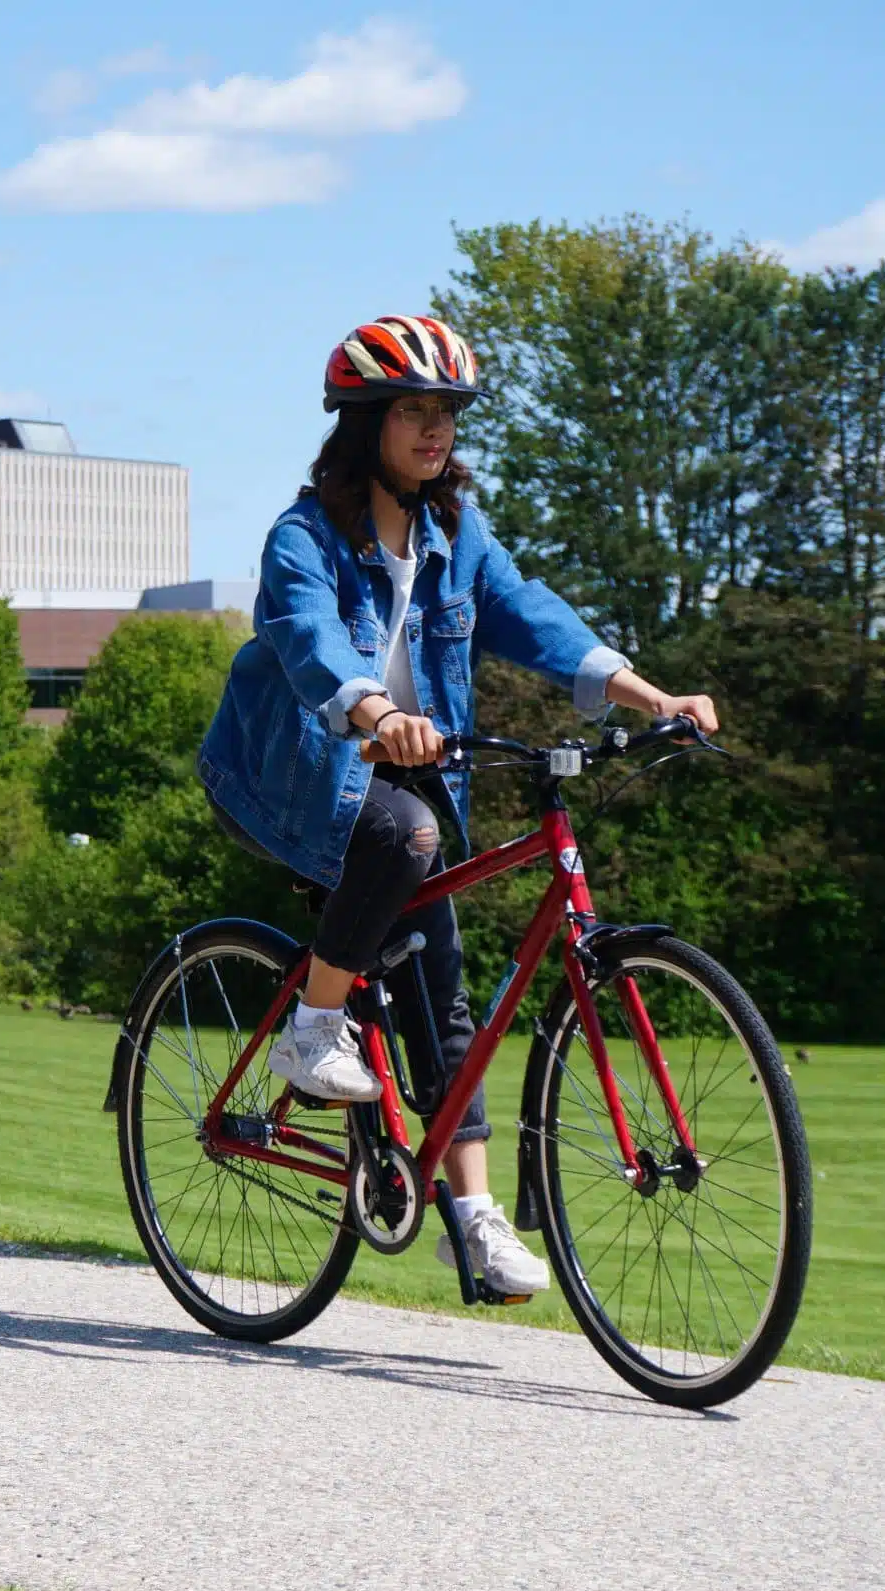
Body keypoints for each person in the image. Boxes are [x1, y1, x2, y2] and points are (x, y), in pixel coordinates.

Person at [196, 313, 722, 1298]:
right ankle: (311, 1028)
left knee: (442, 987)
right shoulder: (302, 537)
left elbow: (528, 613)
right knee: (408, 830)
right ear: (364, 425)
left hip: (406, 768)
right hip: (295, 767)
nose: (435, 431)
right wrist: (376, 709)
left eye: (446, 414)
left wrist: (649, 694)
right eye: (412, 412)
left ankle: (472, 1217)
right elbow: (312, 639)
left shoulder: (454, 531)